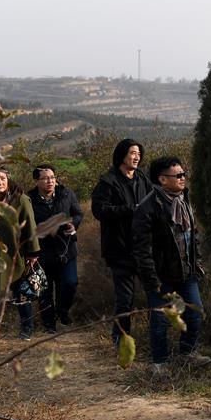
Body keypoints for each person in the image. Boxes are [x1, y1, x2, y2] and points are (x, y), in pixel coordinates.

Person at [132, 156, 209, 375]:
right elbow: (141, 249)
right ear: (162, 180)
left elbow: (192, 235)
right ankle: (160, 363)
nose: (183, 179)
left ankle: (188, 354)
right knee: (160, 319)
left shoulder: (184, 199)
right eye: (179, 175)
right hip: (160, 275)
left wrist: (197, 262)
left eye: (184, 174)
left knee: (194, 313)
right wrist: (151, 280)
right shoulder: (147, 207)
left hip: (186, 271)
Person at [91, 138, 152, 345]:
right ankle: (120, 339)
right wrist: (129, 210)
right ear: (121, 155)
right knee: (125, 300)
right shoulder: (107, 181)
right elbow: (99, 210)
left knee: (155, 292)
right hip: (119, 249)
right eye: (132, 153)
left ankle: (156, 336)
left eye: (138, 153)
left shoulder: (143, 178)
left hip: (143, 248)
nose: (136, 157)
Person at [0, 166, 40, 340]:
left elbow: (30, 226)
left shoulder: (20, 199)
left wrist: (33, 252)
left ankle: (27, 328)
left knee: (20, 289)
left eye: (3, 178)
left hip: (14, 252)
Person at [27, 164, 83, 331]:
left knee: (70, 283)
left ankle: (63, 311)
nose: (50, 181)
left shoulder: (66, 194)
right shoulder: (29, 199)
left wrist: (73, 225)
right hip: (41, 251)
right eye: (45, 178)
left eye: (52, 177)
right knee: (44, 289)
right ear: (36, 181)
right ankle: (49, 324)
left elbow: (78, 213)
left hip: (65, 248)